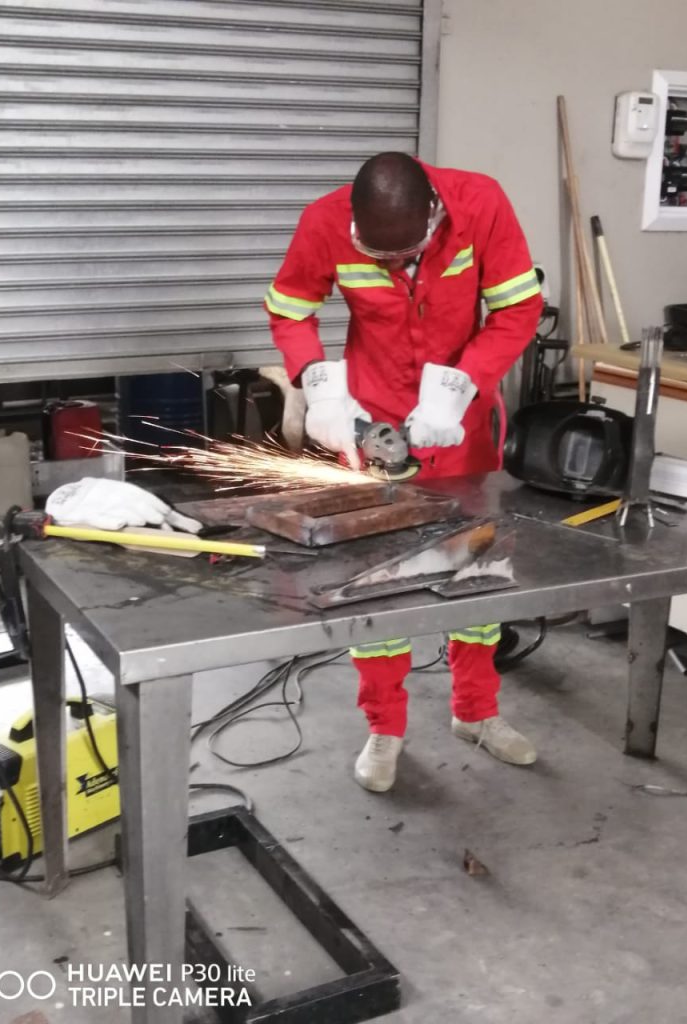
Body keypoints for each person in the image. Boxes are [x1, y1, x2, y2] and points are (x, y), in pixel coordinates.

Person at [265, 152, 543, 793]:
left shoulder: (481, 205)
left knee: (477, 576)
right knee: (375, 586)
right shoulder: (324, 222)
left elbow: (516, 311)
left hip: (459, 423)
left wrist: (462, 386)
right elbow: (289, 308)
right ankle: (384, 728)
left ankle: (476, 712)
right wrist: (320, 389)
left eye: (405, 254)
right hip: (371, 419)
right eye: (377, 257)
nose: (392, 267)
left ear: (434, 215)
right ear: (354, 224)